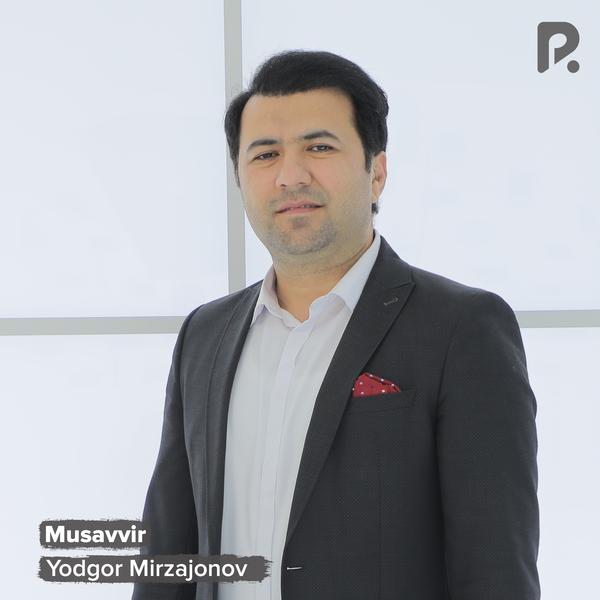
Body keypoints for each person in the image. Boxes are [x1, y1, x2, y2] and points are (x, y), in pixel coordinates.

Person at [132, 50, 540, 600]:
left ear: (377, 172)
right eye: (265, 154)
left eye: (319, 147)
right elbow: (168, 554)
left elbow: (496, 570)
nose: (290, 176)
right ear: (240, 180)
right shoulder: (205, 335)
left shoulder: (461, 329)